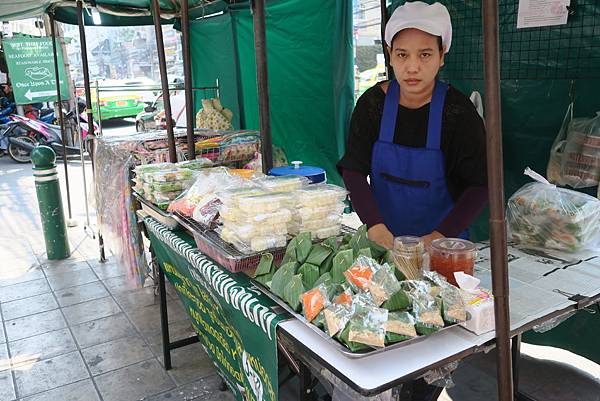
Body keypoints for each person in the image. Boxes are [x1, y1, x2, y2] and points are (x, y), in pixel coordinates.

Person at [338, 1, 488, 253]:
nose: (412, 67)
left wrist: (439, 237)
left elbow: (480, 185)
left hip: (443, 245)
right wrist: (374, 225)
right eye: (402, 54)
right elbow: (353, 170)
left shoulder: (458, 113)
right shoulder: (373, 105)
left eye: (425, 54)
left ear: (442, 55)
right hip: (383, 243)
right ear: (390, 53)